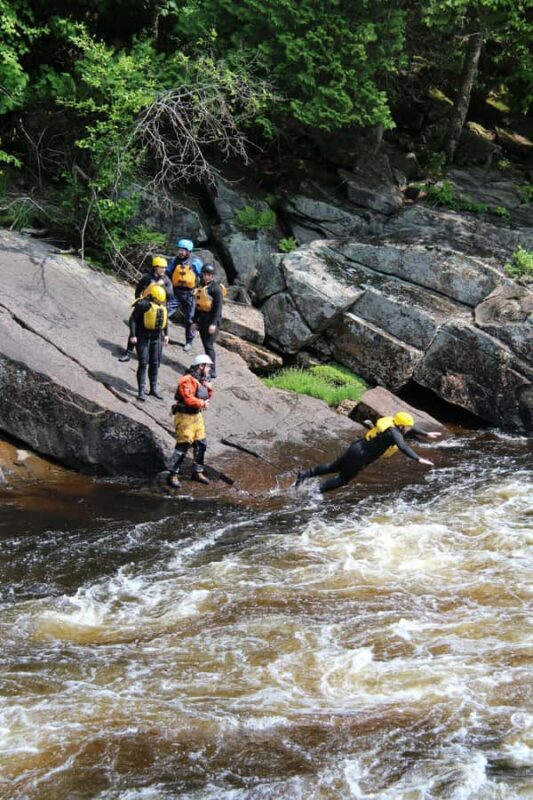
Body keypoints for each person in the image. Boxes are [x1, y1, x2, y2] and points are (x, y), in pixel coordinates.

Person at [295, 411, 441, 493]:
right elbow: (403, 446)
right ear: (401, 425)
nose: (410, 428)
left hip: (357, 446)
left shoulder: (392, 422)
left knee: (334, 467)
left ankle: (305, 475)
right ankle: (315, 492)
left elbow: (411, 429)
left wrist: (427, 434)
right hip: (361, 456)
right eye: (407, 426)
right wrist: (418, 458)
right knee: (343, 479)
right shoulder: (394, 434)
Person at [167, 354, 214, 488]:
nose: (209, 368)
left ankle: (197, 472)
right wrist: (202, 403)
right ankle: (172, 474)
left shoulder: (202, 379)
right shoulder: (186, 380)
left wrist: (209, 388)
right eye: (208, 366)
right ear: (201, 366)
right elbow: (188, 399)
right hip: (184, 417)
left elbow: (207, 396)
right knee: (183, 445)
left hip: (197, 416)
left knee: (201, 444)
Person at [119, 255, 172, 363]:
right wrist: (139, 303)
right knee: (136, 327)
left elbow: (171, 295)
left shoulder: (166, 280)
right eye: (161, 267)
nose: (164, 270)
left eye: (165, 268)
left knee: (158, 330)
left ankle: (153, 357)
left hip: (158, 307)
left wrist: (164, 287)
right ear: (155, 267)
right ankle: (128, 352)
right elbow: (138, 290)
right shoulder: (147, 278)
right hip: (145, 306)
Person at [127, 284, 169, 401]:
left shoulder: (162, 306)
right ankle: (141, 391)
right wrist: (133, 335)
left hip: (156, 338)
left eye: (162, 301)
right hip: (142, 337)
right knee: (143, 362)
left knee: (155, 363)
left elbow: (164, 321)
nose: (160, 303)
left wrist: (166, 335)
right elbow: (133, 320)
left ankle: (153, 389)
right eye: (158, 300)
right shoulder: (143, 304)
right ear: (153, 297)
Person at [166, 238, 203, 352]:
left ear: (189, 251)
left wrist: (198, 289)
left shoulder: (195, 262)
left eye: (183, 250)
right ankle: (162, 334)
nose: (180, 252)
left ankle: (189, 341)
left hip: (189, 295)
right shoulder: (173, 261)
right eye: (179, 249)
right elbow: (167, 274)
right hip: (176, 293)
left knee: (190, 319)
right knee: (164, 312)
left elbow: (203, 277)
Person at [193, 264, 224, 379]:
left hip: (212, 320)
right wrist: (194, 321)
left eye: (209, 275)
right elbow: (198, 306)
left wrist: (213, 324)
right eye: (205, 274)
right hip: (202, 319)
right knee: (205, 346)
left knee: (209, 345)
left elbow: (218, 308)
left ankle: (212, 370)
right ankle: (206, 368)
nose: (206, 277)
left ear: (212, 276)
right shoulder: (201, 286)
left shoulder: (216, 289)